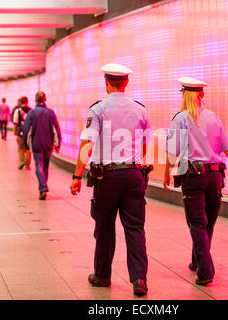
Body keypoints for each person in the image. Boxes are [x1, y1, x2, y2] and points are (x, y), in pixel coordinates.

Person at [70, 63, 152, 296]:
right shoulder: (140, 109)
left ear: (106, 82)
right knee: (135, 228)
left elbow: (88, 144)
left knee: (104, 226)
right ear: (126, 83)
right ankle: (139, 280)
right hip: (135, 174)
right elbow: (146, 143)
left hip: (107, 176)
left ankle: (102, 276)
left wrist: (77, 175)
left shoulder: (98, 109)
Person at [163, 77, 228, 285]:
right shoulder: (213, 117)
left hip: (193, 177)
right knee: (208, 222)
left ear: (185, 94)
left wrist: (166, 173)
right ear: (201, 95)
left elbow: (172, 152)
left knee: (197, 223)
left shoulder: (180, 118)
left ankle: (205, 271)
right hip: (215, 176)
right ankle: (196, 261)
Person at [23, 91, 61, 200]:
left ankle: (42, 187)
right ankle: (43, 187)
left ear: (35, 100)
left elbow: (26, 129)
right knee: (45, 166)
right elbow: (56, 129)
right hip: (48, 144)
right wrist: (58, 144)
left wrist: (26, 143)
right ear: (45, 99)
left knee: (39, 166)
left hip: (36, 144)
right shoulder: (51, 113)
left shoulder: (32, 113)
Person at [13, 96, 32, 170]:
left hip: (20, 131)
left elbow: (15, 122)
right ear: (27, 102)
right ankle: (27, 164)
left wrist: (15, 131)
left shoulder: (18, 110)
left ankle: (21, 161)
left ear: (20, 102)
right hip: (29, 132)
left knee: (20, 147)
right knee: (28, 148)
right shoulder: (31, 110)